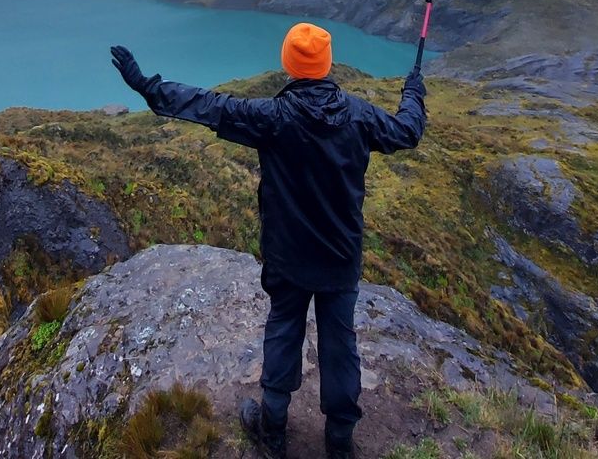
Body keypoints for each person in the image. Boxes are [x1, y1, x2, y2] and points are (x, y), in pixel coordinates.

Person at [109, 22, 426, 459]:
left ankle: (273, 430)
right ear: (327, 64)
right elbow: (407, 130)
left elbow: (210, 106)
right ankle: (339, 441)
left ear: (289, 64)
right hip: (340, 257)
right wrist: (413, 92)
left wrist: (149, 88)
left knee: (283, 331)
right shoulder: (359, 116)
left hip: (288, 255)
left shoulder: (273, 119)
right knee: (340, 343)